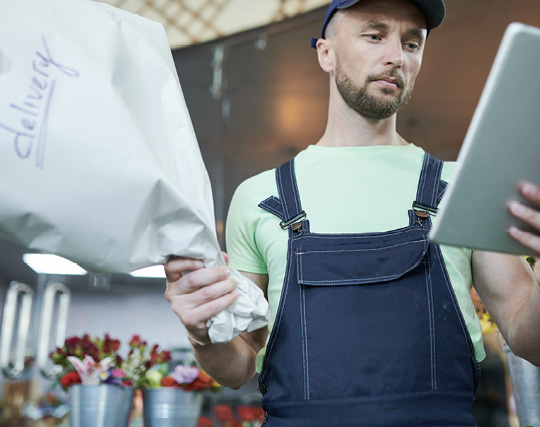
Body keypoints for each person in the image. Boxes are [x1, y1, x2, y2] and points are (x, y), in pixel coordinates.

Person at [164, 0, 540, 425]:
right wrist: (203, 332)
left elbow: (531, 340)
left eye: (412, 43)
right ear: (326, 52)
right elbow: (238, 365)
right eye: (374, 35)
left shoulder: (465, 186)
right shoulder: (261, 197)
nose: (396, 56)